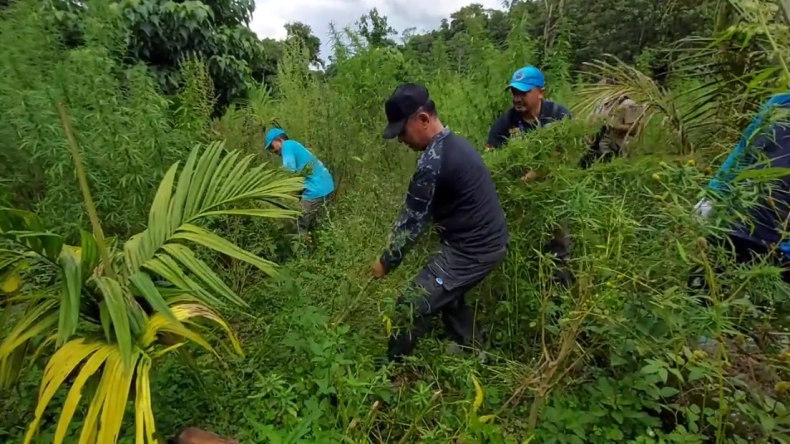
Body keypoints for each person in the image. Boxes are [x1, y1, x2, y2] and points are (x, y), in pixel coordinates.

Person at [372, 84, 509, 362]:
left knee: (411, 303)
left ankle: (392, 372)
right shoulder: (454, 144)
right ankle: (474, 351)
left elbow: (411, 224)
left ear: (423, 119)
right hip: (484, 242)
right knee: (447, 293)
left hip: (473, 250)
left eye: (402, 132)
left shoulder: (433, 163)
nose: (401, 140)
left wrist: (384, 263)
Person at [690, 91, 790, 292]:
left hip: (778, 242)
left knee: (758, 311)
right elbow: (744, 152)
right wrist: (713, 195)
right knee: (702, 296)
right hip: (735, 220)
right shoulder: (779, 103)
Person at [485, 65, 573, 286]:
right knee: (524, 246)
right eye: (514, 93)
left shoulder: (559, 117)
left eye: (523, 93)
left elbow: (567, 153)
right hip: (519, 197)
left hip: (555, 193)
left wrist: (537, 173)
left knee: (559, 247)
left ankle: (561, 292)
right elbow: (491, 160)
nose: (517, 98)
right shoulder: (505, 124)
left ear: (541, 91)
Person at [264, 128, 335, 236]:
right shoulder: (295, 145)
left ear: (278, 140)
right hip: (327, 186)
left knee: (298, 224)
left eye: (271, 146)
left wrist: (276, 189)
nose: (272, 151)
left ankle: (302, 250)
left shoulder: (287, 146)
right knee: (318, 225)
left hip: (315, 190)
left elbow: (289, 171)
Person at [580, 87, 645, 169]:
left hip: (616, 150)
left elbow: (633, 130)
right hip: (597, 148)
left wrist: (615, 126)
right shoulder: (602, 103)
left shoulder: (629, 104)